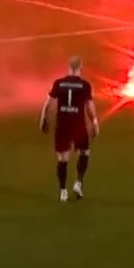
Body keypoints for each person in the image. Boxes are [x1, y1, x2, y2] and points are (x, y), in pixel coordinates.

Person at [39, 56, 98, 202]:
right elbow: (89, 106)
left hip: (63, 125)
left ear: (69, 67)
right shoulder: (85, 85)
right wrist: (95, 122)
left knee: (62, 159)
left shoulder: (59, 83)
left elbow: (48, 103)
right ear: (80, 68)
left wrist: (43, 118)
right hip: (78, 124)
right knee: (84, 152)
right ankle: (78, 183)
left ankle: (63, 191)